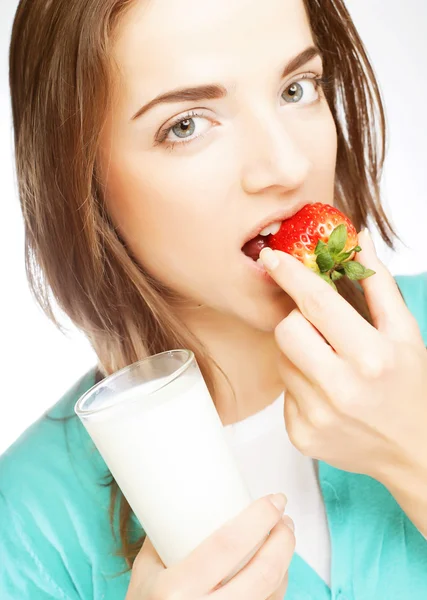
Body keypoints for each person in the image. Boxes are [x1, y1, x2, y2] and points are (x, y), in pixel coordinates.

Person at [1, 0, 427, 598]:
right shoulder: (26, 530)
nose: (287, 164)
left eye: (298, 88)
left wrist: (417, 452)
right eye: (187, 125)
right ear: (80, 179)